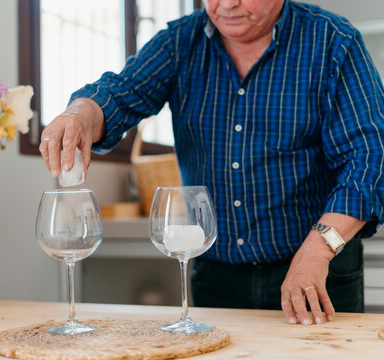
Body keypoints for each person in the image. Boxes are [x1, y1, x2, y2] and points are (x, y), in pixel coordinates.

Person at [39, 0, 384, 326]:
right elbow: (118, 95)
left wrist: (317, 252)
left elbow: (367, 160)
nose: (227, 5)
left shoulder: (333, 42)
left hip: (316, 266)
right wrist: (79, 115)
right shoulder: (178, 43)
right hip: (215, 274)